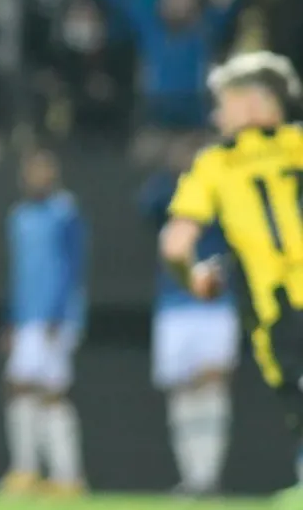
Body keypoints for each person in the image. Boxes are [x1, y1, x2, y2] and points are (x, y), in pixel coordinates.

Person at [161, 50, 303, 505]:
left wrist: (193, 278)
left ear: (258, 101)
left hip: (279, 307)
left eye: (227, 100)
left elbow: (174, 245)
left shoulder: (216, 163)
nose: (218, 112)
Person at [139, 135, 238, 496]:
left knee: (212, 384)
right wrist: (174, 178)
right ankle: (191, 476)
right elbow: (145, 206)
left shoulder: (222, 188)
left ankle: (209, 476)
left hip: (214, 304)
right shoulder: (166, 192)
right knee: (180, 389)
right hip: (173, 304)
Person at [0, 149, 87, 497]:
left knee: (52, 393)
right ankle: (26, 470)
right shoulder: (18, 216)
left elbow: (74, 266)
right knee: (19, 387)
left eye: (43, 171)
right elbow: (18, 272)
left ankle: (68, 475)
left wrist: (60, 314)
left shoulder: (66, 212)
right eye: (31, 171)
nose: (37, 177)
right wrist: (11, 320)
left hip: (55, 318)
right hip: (25, 317)